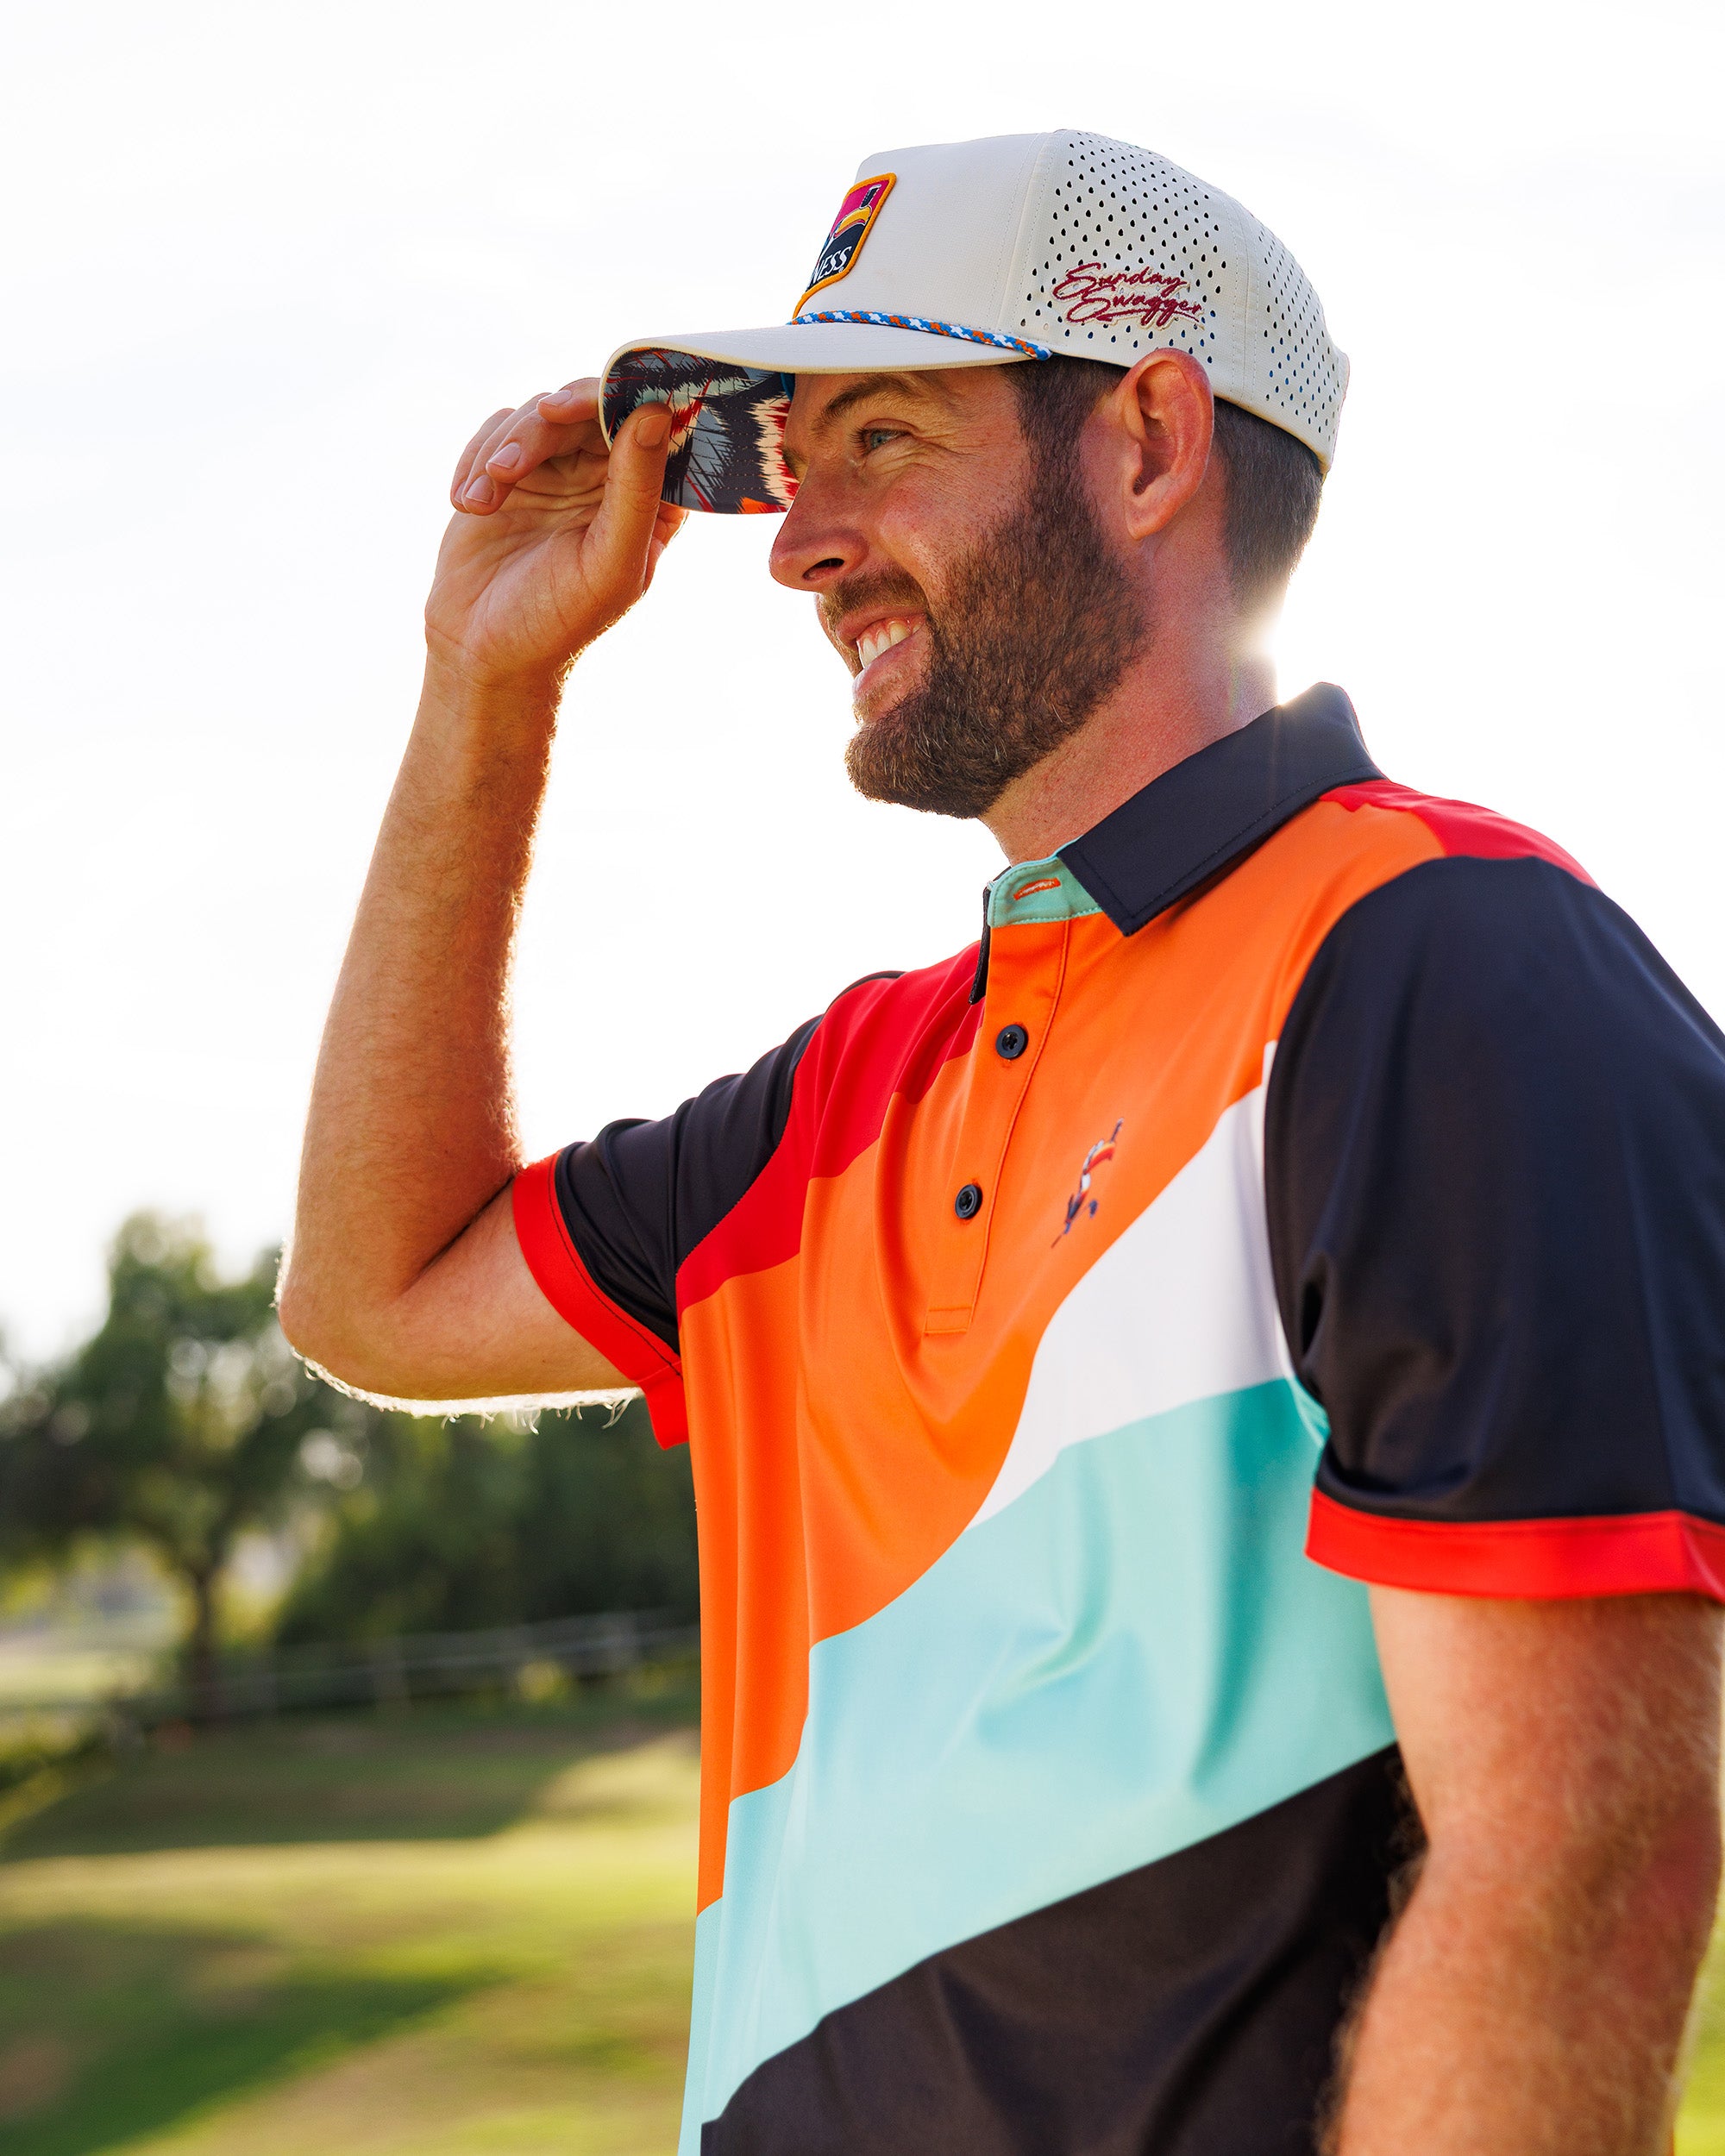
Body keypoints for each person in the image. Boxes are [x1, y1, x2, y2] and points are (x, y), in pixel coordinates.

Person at [280, 130, 1725, 2154]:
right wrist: (484, 683)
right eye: (788, 463)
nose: (799, 542)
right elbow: (376, 1288)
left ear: (1145, 439)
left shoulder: (1445, 971)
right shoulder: (842, 1102)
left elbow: (1574, 1870)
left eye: (876, 435)